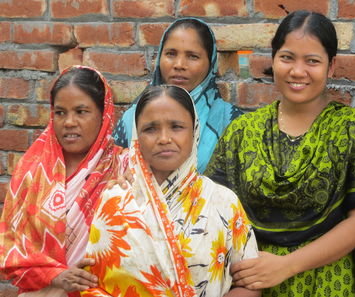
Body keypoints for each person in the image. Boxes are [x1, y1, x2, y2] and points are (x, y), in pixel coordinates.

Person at [205, 10, 355, 297]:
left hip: (327, 281)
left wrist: (287, 266)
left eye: (312, 61)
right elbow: (211, 207)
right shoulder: (242, 131)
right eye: (287, 58)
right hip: (252, 280)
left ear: (331, 67)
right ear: (273, 59)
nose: (298, 71)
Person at [81, 85, 259, 297]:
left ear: (194, 131)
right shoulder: (115, 200)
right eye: (150, 129)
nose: (164, 138)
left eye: (176, 127)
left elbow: (249, 283)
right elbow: (92, 283)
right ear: (137, 136)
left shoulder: (222, 202)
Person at [0, 66, 127, 297]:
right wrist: (56, 276)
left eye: (81, 112)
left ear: (104, 114)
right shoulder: (31, 170)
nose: (69, 122)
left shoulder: (124, 167)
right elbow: (10, 249)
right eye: (60, 113)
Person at [113, 17, 242, 173]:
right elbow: (114, 176)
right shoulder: (132, 119)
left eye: (192, 56)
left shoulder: (230, 121)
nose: (179, 65)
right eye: (171, 54)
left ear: (211, 63)